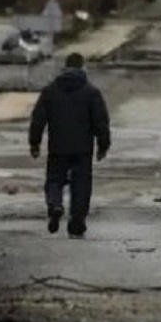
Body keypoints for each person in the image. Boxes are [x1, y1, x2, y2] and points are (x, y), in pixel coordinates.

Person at [28, 52, 111, 239]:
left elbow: (38, 119)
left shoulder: (50, 91)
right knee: (81, 185)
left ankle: (55, 205)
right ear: (82, 67)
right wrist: (103, 145)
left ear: (64, 67)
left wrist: (35, 143)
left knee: (54, 179)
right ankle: (77, 222)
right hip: (83, 150)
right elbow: (101, 122)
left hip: (58, 147)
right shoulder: (91, 93)